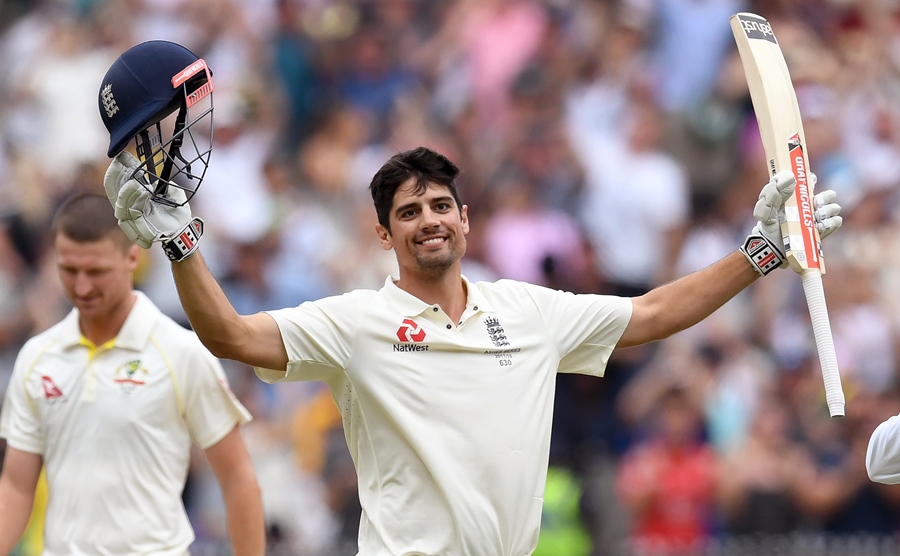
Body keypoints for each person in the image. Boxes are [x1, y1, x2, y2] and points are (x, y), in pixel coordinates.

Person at [97, 41, 843, 556]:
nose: (430, 220)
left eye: (441, 205)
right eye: (410, 212)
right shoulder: (356, 322)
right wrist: (179, 242)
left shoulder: (527, 311)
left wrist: (763, 253)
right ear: (385, 236)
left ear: (465, 217)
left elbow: (650, 315)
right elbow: (228, 334)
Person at [0, 193, 265, 555]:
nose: (81, 287)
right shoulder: (37, 356)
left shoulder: (180, 351)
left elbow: (238, 479)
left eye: (96, 272)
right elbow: (16, 485)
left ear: (132, 258)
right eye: (69, 270)